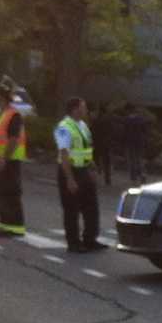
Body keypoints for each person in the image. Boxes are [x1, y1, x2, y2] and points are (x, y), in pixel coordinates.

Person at [52, 97, 105, 253]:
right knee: (71, 208)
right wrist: (69, 179)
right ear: (75, 109)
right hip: (71, 170)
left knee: (91, 206)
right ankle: (73, 242)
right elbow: (64, 154)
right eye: (83, 107)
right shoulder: (64, 127)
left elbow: (85, 148)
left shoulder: (82, 125)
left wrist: (92, 166)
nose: (86, 110)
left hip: (85, 170)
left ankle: (90, 239)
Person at [0, 81, 28, 238]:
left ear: (2, 96)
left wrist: (4, 158)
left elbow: (13, 140)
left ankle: (15, 227)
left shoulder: (13, 115)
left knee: (9, 193)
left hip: (8, 161)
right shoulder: (0, 115)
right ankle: (5, 224)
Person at [90, 101, 118, 187]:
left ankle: (96, 177)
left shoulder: (96, 120)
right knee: (107, 162)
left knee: (95, 160)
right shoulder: (109, 121)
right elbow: (113, 131)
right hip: (106, 144)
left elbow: (92, 132)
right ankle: (107, 179)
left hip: (97, 143)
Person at [121, 102, 150, 184]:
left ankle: (134, 178)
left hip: (130, 142)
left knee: (132, 160)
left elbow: (124, 133)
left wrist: (123, 142)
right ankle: (143, 174)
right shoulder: (141, 119)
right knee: (140, 159)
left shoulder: (126, 120)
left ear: (128, 111)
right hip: (140, 142)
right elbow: (145, 131)